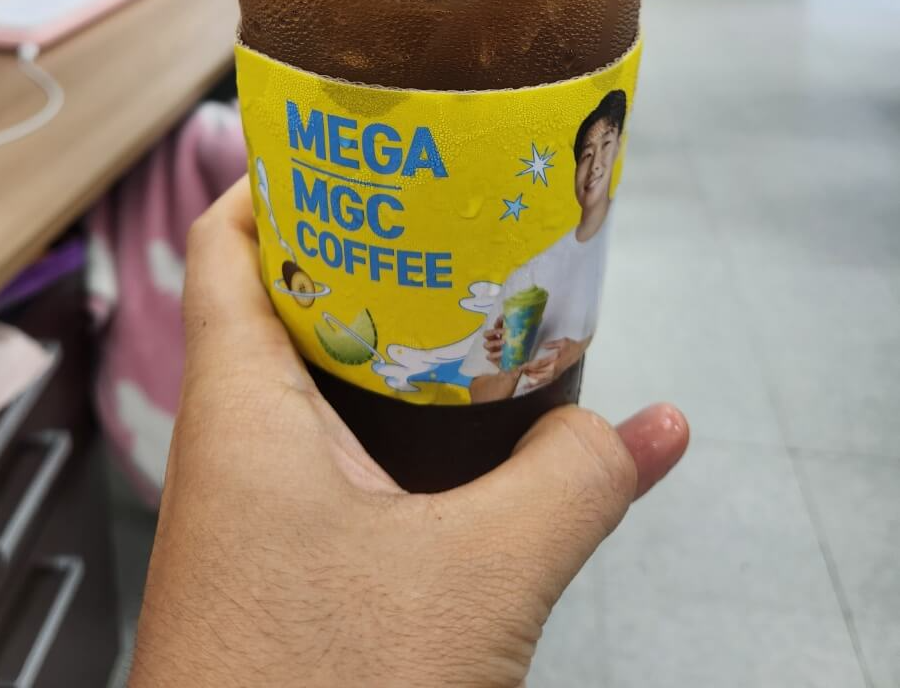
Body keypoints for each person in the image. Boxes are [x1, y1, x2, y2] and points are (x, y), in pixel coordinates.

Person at [128, 177, 688, 688]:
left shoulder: (556, 256)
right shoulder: (534, 267)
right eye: (585, 154)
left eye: (602, 152)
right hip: (361, 430)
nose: (593, 168)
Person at [464, 90, 627, 404]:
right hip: (519, 416)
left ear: (620, 145)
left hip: (567, 404)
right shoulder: (531, 275)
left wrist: (574, 351)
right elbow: (478, 395)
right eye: (586, 155)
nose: (595, 165)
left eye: (606, 144)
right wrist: (510, 370)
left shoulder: (604, 246)